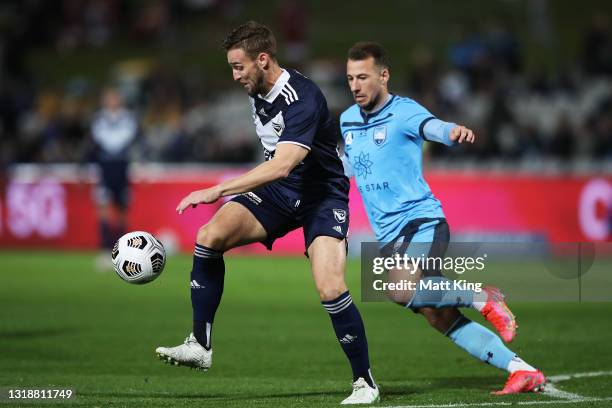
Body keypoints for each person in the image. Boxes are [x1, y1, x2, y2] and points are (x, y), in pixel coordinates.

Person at [155, 22, 379, 404]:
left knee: (330, 286)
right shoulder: (257, 88)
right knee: (210, 236)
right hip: (278, 194)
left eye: (239, 66)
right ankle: (200, 344)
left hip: (321, 197)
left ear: (263, 60)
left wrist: (217, 189)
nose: (234, 75)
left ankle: (365, 383)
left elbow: (282, 164)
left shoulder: (302, 96)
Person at [339, 42, 545, 395]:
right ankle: (521, 369)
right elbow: (352, 166)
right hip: (390, 236)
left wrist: (452, 132)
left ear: (383, 76)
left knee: (398, 288)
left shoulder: (403, 111)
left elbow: (432, 126)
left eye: (363, 77)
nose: (355, 86)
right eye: (349, 79)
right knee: (437, 315)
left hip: (421, 221)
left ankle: (483, 297)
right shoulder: (347, 120)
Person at [89, 87, 138, 269]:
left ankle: (122, 250)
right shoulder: (99, 118)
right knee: (103, 206)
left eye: (115, 98)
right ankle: (104, 249)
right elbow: (100, 138)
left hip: (121, 165)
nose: (112, 102)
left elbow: (127, 137)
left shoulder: (127, 118)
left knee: (122, 208)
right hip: (105, 166)